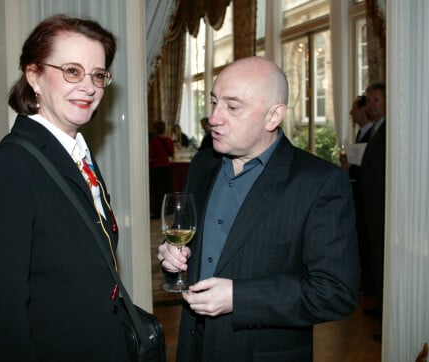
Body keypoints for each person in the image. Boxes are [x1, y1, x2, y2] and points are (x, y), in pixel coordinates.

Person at [158, 56, 360, 361]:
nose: (214, 117)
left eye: (232, 106)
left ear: (273, 116)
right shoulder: (203, 165)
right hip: (193, 347)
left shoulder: (319, 182)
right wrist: (174, 261)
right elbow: (200, 251)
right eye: (214, 102)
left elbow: (336, 293)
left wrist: (239, 298)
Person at [0, 14, 130, 361]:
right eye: (72, 71)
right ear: (34, 76)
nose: (89, 86)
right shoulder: (5, 170)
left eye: (98, 75)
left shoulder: (77, 157)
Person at [358, 82, 386, 325]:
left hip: (381, 208)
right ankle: (381, 307)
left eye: (376, 99)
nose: (372, 105)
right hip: (372, 206)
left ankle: (386, 314)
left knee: (382, 260)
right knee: (376, 259)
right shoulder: (378, 129)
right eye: (369, 100)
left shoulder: (389, 129)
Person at [340, 95, 374, 295]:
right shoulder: (363, 133)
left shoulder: (373, 134)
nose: (351, 113)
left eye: (354, 109)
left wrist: (350, 169)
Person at [149, 120, 175, 218]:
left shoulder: (154, 141)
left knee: (157, 192)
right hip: (166, 167)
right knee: (166, 190)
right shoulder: (169, 140)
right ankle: (167, 211)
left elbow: (151, 156)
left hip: (156, 168)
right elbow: (171, 154)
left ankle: (157, 213)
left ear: (156, 129)